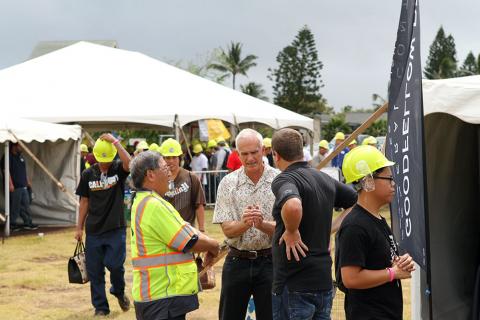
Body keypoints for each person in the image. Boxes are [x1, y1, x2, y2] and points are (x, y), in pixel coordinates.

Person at [270, 128, 357, 320]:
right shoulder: (324, 178)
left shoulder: (285, 178)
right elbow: (355, 201)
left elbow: (293, 205)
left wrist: (292, 230)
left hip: (294, 285)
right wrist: (332, 227)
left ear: (275, 155)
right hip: (322, 282)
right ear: (302, 150)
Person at [129, 150, 220, 320]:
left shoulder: (145, 201)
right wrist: (214, 246)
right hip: (162, 296)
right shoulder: (154, 205)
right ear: (150, 174)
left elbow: (185, 229)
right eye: (164, 168)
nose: (169, 173)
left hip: (158, 294)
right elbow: (189, 241)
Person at [336, 145, 415, 320]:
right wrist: (393, 273)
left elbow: (380, 261)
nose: (393, 184)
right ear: (368, 181)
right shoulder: (355, 226)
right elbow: (350, 278)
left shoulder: (377, 219)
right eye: (389, 178)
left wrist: (399, 263)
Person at [213, 128, 278, 320]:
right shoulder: (228, 183)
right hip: (236, 261)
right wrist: (246, 223)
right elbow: (227, 230)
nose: (250, 158)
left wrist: (260, 224)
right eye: (244, 154)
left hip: (270, 261)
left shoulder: (279, 180)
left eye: (254, 152)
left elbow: (285, 229)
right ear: (237, 154)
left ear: (264, 150)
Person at [75, 133, 132, 317]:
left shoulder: (117, 169)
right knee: (95, 271)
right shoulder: (88, 174)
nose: (104, 164)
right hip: (94, 231)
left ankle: (118, 290)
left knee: (115, 265)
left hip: (116, 228)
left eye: (106, 160)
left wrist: (115, 142)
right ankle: (101, 307)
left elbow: (130, 163)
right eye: (101, 160)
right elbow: (84, 201)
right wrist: (79, 228)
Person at [160, 138, 206, 232]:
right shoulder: (158, 179)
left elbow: (199, 204)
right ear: (162, 159)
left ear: (180, 158)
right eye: (168, 158)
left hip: (187, 231)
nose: (171, 161)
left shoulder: (191, 177)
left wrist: (201, 230)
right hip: (165, 230)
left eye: (174, 157)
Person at [1, 142, 38, 231]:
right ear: (14, 146)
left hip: (23, 186)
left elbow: (23, 171)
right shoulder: (7, 156)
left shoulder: (20, 157)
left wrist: (27, 181)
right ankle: (12, 224)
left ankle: (28, 223)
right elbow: (6, 171)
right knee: (15, 207)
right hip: (15, 186)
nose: (22, 147)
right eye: (20, 146)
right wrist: (10, 184)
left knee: (25, 206)